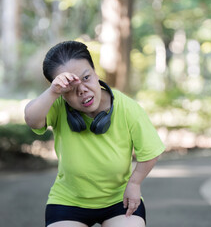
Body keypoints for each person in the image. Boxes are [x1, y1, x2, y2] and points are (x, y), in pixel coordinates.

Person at [24, 40, 165, 227]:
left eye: (86, 78)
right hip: (69, 201)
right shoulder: (57, 105)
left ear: (95, 72)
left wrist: (134, 184)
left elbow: (150, 151)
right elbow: (31, 119)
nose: (82, 90)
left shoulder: (128, 107)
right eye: (71, 88)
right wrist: (53, 92)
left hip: (118, 199)